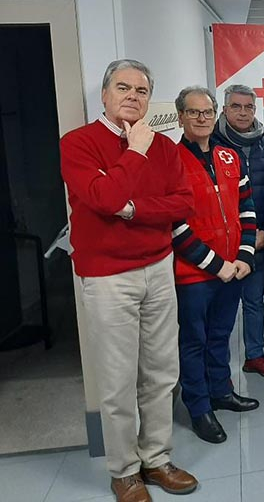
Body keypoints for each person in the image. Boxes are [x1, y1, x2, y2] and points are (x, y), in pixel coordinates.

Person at [60, 60, 197, 502]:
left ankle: (156, 459)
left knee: (160, 373)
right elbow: (103, 198)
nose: (133, 97)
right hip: (107, 276)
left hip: (158, 268)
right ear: (104, 95)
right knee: (118, 380)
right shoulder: (78, 144)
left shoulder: (166, 147)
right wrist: (134, 152)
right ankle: (124, 471)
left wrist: (134, 209)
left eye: (141, 90)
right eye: (123, 88)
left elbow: (182, 204)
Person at [172, 86, 259, 445]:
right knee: (194, 340)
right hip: (195, 273)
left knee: (221, 335)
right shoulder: (170, 161)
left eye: (207, 112)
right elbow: (175, 225)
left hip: (233, 268)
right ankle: (199, 405)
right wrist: (216, 265)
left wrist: (245, 256)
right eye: (194, 113)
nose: (202, 118)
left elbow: (247, 208)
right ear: (181, 117)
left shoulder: (230, 156)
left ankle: (221, 390)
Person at [212, 84, 264, 380]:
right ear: (225, 109)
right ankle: (216, 368)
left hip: (260, 240)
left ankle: (254, 355)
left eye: (248, 107)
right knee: (219, 307)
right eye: (236, 106)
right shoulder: (209, 142)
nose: (243, 112)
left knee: (254, 300)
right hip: (220, 243)